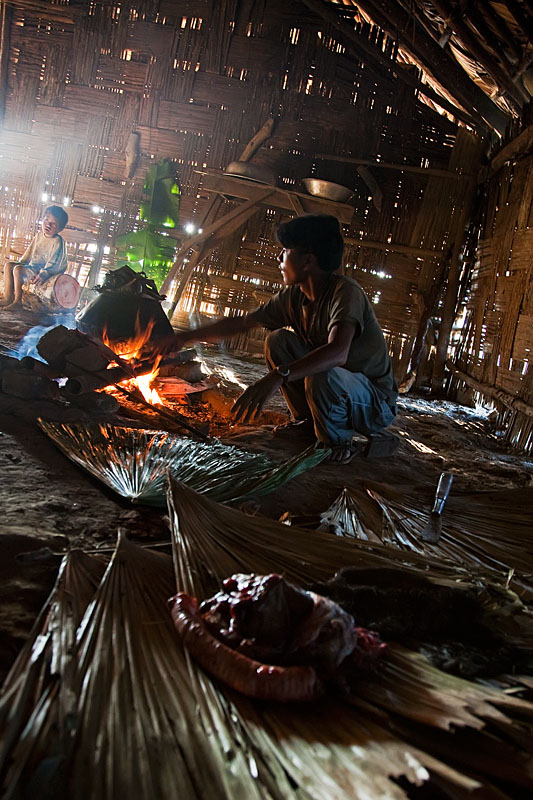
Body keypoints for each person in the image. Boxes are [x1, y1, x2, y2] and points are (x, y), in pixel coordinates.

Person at [154, 214, 398, 463]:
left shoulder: (345, 293)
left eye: (285, 251)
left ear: (307, 261)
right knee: (278, 341)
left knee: (322, 369)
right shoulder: (294, 297)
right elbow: (242, 323)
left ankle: (336, 443)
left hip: (373, 403)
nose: (278, 258)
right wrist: (185, 337)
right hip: (333, 390)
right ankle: (306, 422)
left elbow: (337, 352)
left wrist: (277, 375)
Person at [0, 205, 69, 309]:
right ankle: (8, 297)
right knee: (9, 265)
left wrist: (43, 274)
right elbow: (29, 253)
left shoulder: (58, 242)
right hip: (32, 268)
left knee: (18, 270)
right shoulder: (39, 236)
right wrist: (22, 262)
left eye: (53, 224)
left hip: (43, 273)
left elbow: (54, 263)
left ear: (60, 228)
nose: (48, 225)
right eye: (46, 220)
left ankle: (17, 301)